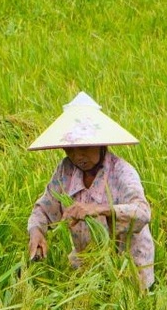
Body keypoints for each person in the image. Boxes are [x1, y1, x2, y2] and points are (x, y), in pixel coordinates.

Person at [25, 92, 155, 291]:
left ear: (101, 143)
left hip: (126, 267)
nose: (77, 155)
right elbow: (44, 207)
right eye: (70, 149)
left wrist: (98, 209)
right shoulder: (66, 170)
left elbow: (142, 213)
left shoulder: (121, 172)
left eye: (84, 147)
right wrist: (37, 232)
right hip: (86, 265)